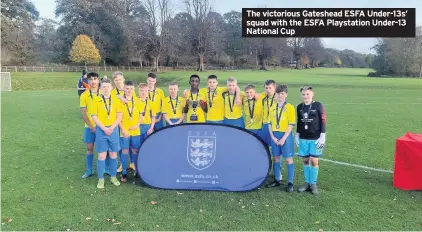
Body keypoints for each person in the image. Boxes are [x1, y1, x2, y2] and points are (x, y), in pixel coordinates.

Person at [90, 79, 123, 188]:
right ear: (100, 88)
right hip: (101, 130)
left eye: (108, 86)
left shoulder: (116, 100)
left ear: (112, 88)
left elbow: (119, 116)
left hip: (113, 130)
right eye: (103, 87)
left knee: (114, 154)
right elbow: (94, 116)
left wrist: (112, 128)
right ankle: (100, 179)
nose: (106, 89)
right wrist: (104, 128)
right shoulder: (96, 100)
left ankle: (113, 177)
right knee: (102, 155)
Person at [296, 86, 326, 195]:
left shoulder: (318, 105)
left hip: (315, 138)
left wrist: (323, 136)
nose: (305, 96)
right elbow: (299, 122)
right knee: (305, 160)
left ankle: (313, 184)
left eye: (307, 94)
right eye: (303, 94)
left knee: (314, 160)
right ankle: (306, 183)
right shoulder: (299, 107)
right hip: (303, 138)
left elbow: (323, 121)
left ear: (312, 94)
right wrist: (297, 135)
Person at [266, 84, 296, 192]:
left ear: (286, 94)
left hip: (285, 136)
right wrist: (273, 137)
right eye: (278, 94)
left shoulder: (290, 107)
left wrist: (284, 138)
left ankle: (290, 182)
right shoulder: (272, 107)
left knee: (288, 159)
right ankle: (277, 179)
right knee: (276, 158)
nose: (280, 96)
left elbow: (291, 124)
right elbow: (269, 124)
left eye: (282, 94)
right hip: (275, 135)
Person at [111, 71, 136, 173]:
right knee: (122, 145)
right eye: (116, 80)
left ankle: (133, 163)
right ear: (114, 81)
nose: (118, 82)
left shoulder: (130, 90)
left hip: (130, 122)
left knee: (132, 144)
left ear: (123, 79)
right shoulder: (113, 93)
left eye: (120, 79)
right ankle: (122, 164)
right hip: (119, 123)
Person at [118, 80, 143, 183]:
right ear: (124, 89)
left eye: (131, 89)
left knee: (135, 150)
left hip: (136, 131)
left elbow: (141, 116)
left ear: (134, 90)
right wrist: (123, 129)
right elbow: (117, 118)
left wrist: (137, 125)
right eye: (127, 88)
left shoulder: (138, 100)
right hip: (124, 131)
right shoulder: (119, 101)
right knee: (125, 151)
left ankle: (136, 170)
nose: (129, 90)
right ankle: (124, 172)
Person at [79, 72, 101, 179]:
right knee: (89, 148)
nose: (93, 81)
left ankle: (105, 169)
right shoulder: (84, 95)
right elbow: (83, 113)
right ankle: (89, 170)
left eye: (95, 79)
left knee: (103, 149)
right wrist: (91, 127)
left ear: (98, 80)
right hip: (89, 127)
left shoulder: (104, 92)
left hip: (102, 127)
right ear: (87, 81)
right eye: (91, 79)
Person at [137, 83, 156, 174]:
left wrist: (151, 127)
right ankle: (137, 167)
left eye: (145, 91)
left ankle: (147, 166)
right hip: (137, 127)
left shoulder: (151, 103)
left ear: (148, 91)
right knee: (137, 147)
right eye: (141, 91)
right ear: (138, 91)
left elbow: (153, 117)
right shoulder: (135, 101)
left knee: (147, 147)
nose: (143, 92)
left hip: (148, 127)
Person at [261, 80, 277, 147]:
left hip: (275, 125)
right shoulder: (262, 97)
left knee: (275, 145)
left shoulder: (278, 98)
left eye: (270, 88)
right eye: (266, 88)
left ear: (275, 87)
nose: (268, 90)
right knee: (264, 145)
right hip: (265, 124)